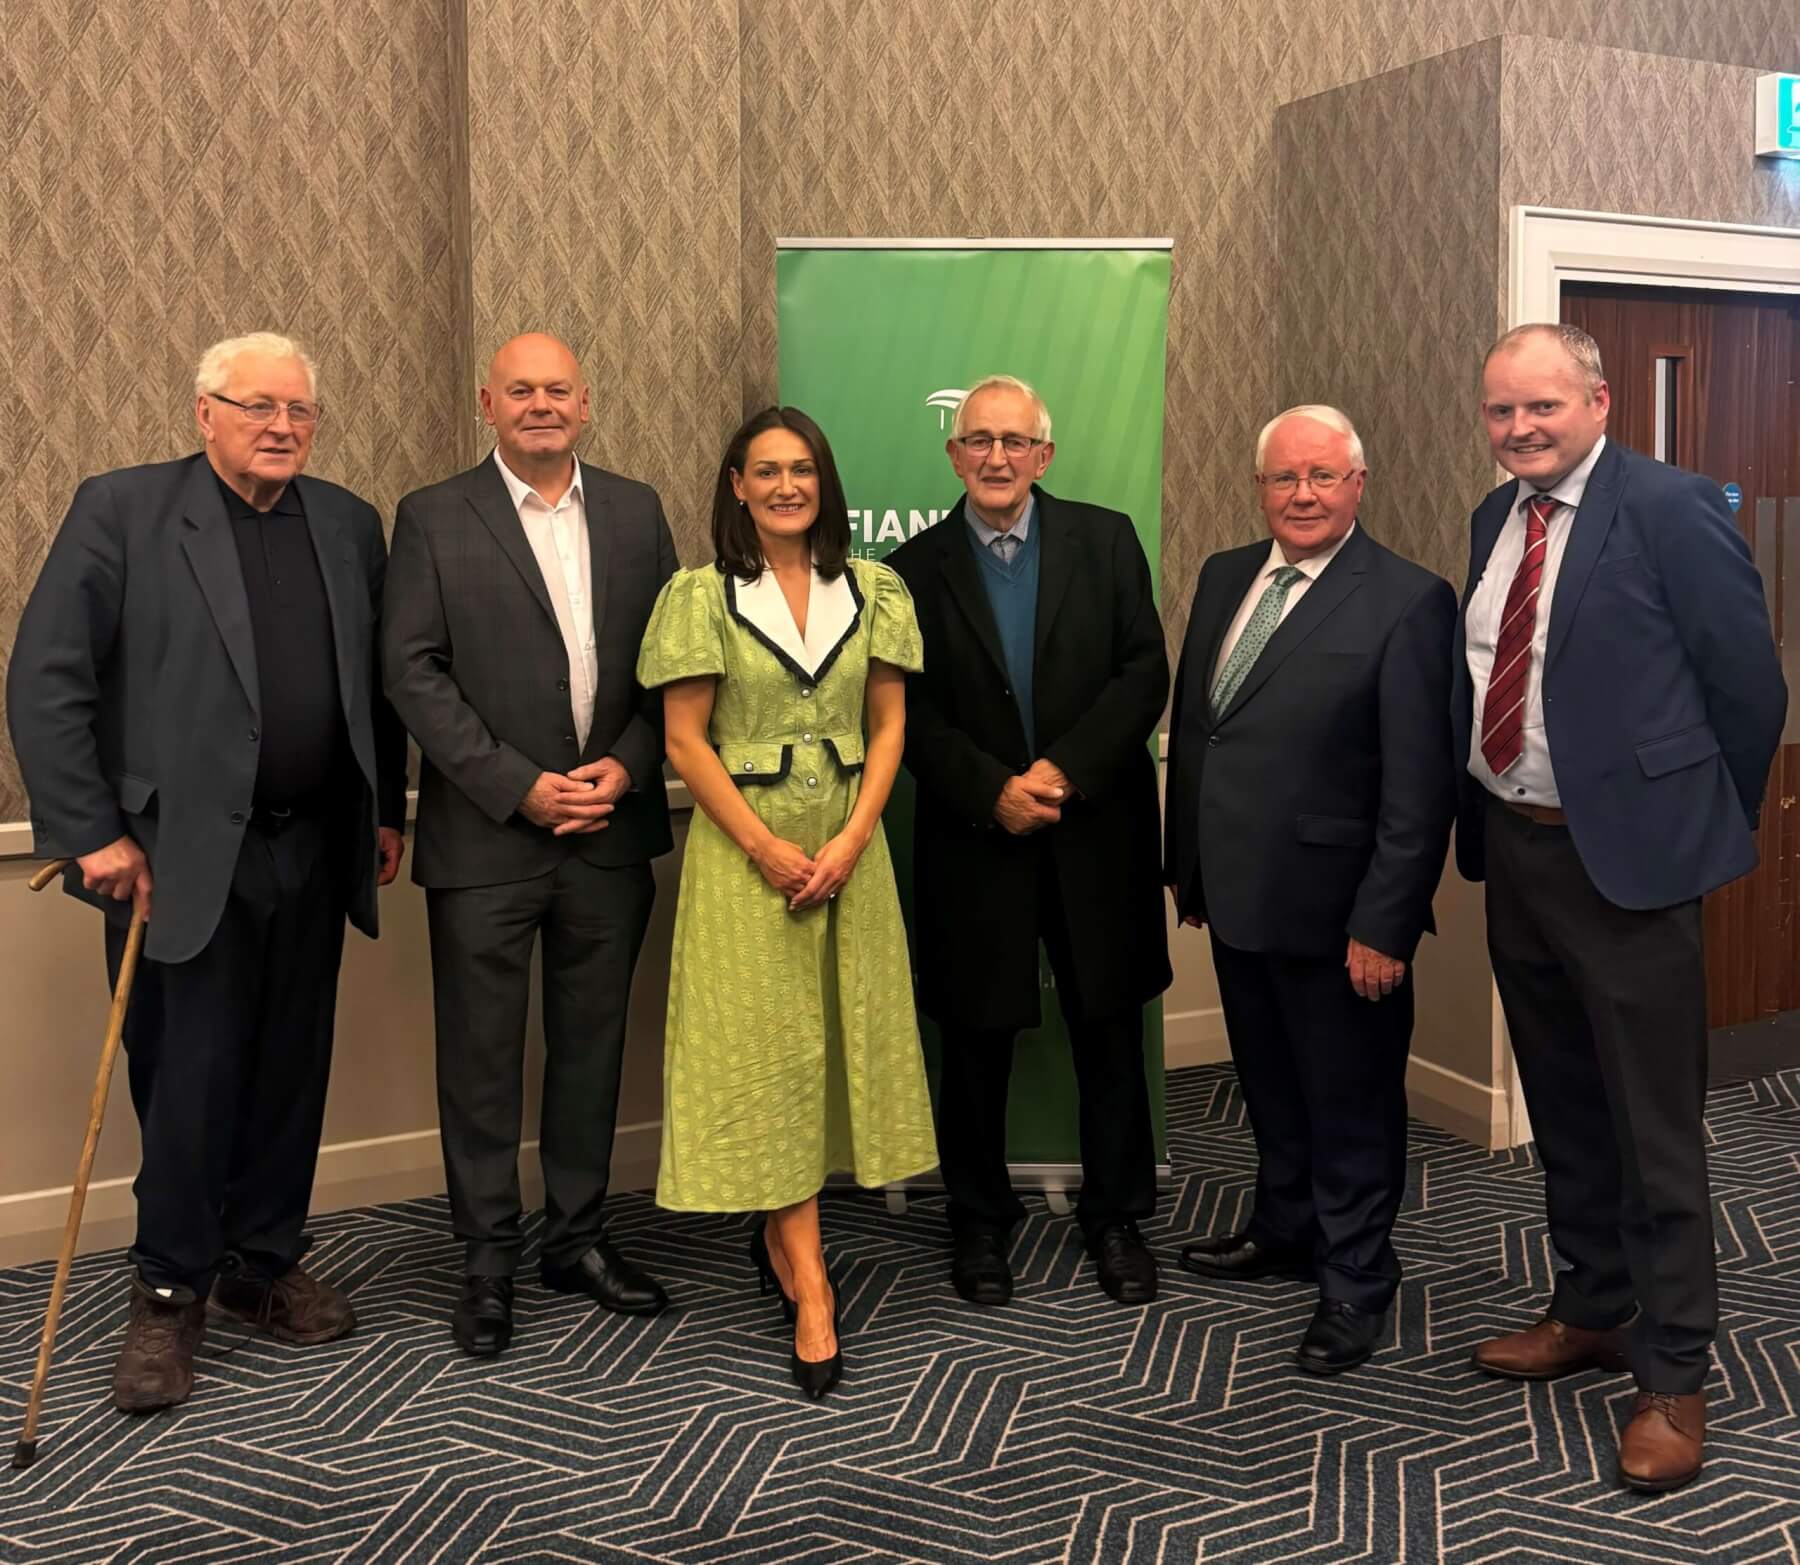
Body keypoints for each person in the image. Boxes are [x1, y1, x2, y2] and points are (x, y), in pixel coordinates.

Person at [6, 332, 407, 1412]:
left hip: (314, 844)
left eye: (300, 410)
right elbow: (46, 678)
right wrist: (89, 829)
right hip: (174, 857)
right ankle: (170, 1288)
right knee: (187, 1080)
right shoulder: (124, 509)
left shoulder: (347, 523)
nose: (282, 426)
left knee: (289, 1067)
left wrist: (382, 803)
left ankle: (260, 1265)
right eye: (258, 406)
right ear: (204, 412)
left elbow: (374, 684)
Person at [1455, 323, 1786, 1490]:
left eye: (1542, 406)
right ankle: (1592, 1304)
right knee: (1565, 1105)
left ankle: (1675, 1369)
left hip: (1633, 870)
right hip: (1521, 852)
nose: (1520, 428)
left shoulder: (1672, 504)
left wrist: (1692, 826)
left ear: (1598, 400)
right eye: (1501, 411)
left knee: (1656, 1131)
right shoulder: (1496, 519)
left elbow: (1749, 687)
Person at [382, 333, 677, 1357]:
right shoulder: (431, 515)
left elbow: (673, 669)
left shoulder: (638, 510)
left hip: (608, 832)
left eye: (558, 389)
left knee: (592, 1051)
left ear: (586, 403)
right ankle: (486, 1262)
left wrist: (629, 766)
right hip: (487, 841)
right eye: (521, 390)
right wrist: (519, 784)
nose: (541, 404)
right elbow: (411, 671)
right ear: (486, 403)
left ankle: (579, 1237)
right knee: (481, 1061)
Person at [637, 406, 937, 1399]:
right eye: (764, 470)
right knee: (767, 1054)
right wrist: (768, 846)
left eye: (801, 468)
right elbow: (685, 742)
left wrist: (851, 838)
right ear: (735, 484)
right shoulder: (701, 596)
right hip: (743, 859)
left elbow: (889, 723)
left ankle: (787, 1231)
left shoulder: (875, 588)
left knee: (836, 1045)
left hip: (852, 855)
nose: (783, 486)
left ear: (825, 479)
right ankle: (809, 1279)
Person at [1165, 405, 1456, 1372]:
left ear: (1358, 485)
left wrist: (1386, 923)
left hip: (1342, 917)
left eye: (1323, 477)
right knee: (1272, 1089)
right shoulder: (1223, 575)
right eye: (1285, 477)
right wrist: (1192, 866)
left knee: (1351, 1105)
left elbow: (1419, 787)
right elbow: (1208, 729)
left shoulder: (1409, 599)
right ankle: (1284, 1229)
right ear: (1261, 486)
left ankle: (1357, 1280)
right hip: (1239, 893)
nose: (1302, 494)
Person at [886, 375, 1170, 1309]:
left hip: (1096, 833)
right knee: (971, 1043)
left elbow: (1142, 674)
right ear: (953, 454)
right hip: (977, 840)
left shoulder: (1108, 538)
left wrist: (1061, 772)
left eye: (1015, 441)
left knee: (1108, 1033)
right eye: (979, 441)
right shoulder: (911, 569)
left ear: (1044, 455)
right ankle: (977, 1218)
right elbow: (906, 712)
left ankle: (1116, 1216)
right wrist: (990, 790)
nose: (997, 457)